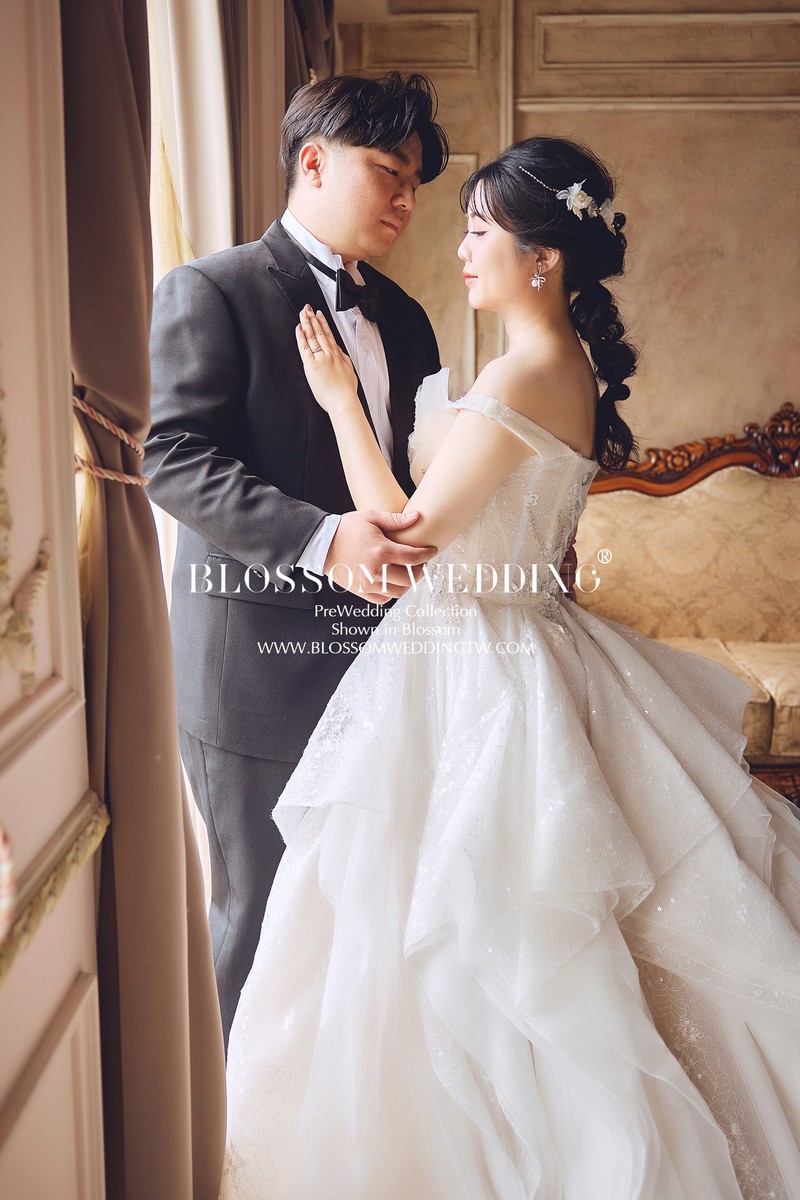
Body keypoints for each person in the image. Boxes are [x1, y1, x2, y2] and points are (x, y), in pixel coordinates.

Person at [221, 135, 800, 1199]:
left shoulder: (523, 372)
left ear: (543, 257)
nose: (461, 249)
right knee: (467, 918)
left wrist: (341, 400)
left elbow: (406, 538)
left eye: (479, 229)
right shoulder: (558, 364)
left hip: (476, 658)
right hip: (504, 640)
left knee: (474, 924)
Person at [144, 73, 450, 1050]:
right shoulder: (210, 290)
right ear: (312, 162)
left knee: (364, 919)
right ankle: (225, 1128)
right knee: (259, 923)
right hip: (254, 679)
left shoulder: (407, 318)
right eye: (389, 172)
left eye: (415, 182)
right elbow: (172, 461)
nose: (406, 198)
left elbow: (410, 475)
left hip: (386, 669)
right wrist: (323, 540)